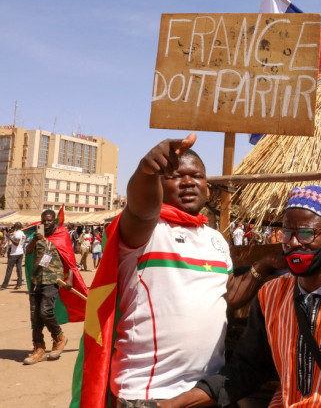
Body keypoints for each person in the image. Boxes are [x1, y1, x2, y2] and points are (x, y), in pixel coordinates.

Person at [162, 186, 321, 407]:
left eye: (305, 234)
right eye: (286, 233)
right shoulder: (270, 295)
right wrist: (171, 404)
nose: (292, 243)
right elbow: (247, 370)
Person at [74, 133, 268, 405]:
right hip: (149, 396)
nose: (188, 182)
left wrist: (265, 267)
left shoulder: (215, 241)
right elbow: (141, 209)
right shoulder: (146, 231)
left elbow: (224, 298)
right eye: (175, 176)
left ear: (208, 188)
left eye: (197, 176)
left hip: (203, 393)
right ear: (159, 185)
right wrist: (146, 170)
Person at [23, 210, 78, 364]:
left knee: (45, 311)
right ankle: (39, 349)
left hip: (53, 280)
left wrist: (71, 280)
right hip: (37, 280)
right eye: (43, 220)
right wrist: (34, 240)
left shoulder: (62, 235)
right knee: (35, 317)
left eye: (49, 220)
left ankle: (59, 337)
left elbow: (70, 259)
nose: (46, 223)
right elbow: (28, 251)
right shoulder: (37, 235)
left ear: (55, 220)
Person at [1, 222, 26, 290]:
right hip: (20, 252)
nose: (14, 227)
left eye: (15, 226)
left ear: (17, 226)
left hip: (14, 253)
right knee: (19, 269)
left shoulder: (17, 233)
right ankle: (19, 284)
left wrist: (9, 237)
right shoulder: (22, 233)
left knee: (9, 269)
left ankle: (4, 285)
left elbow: (16, 243)